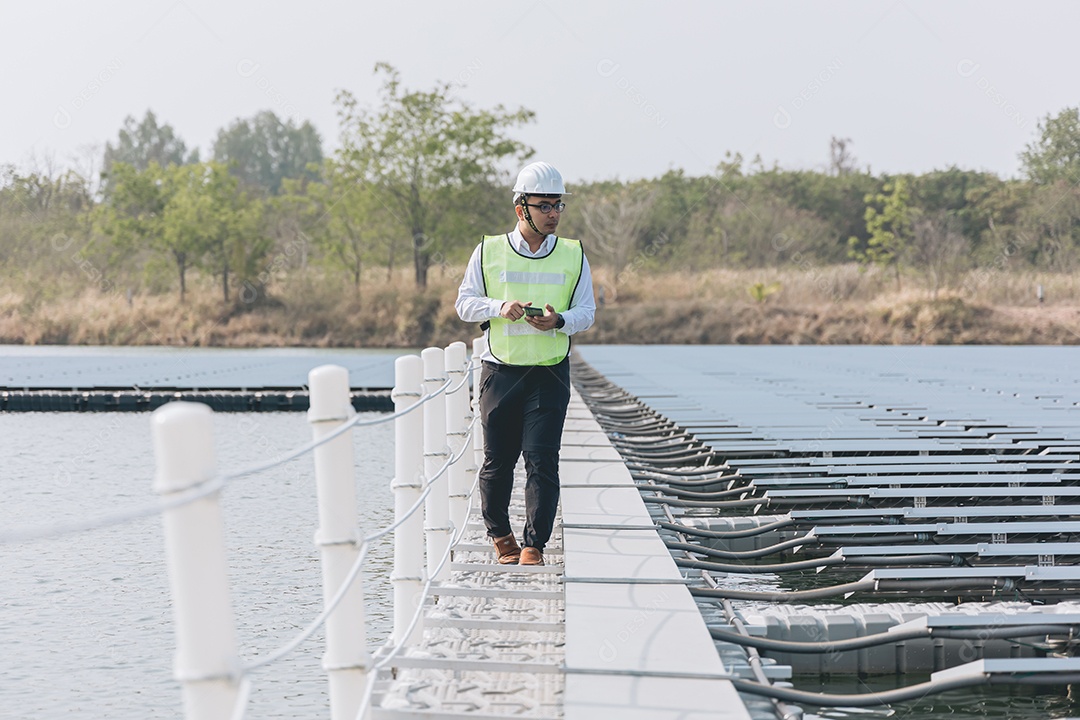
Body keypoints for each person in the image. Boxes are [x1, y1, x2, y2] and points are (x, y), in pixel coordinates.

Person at [455, 161, 596, 566]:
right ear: (522, 209)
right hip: (500, 369)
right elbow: (464, 304)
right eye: (545, 205)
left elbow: (587, 311)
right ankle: (501, 537)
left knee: (542, 458)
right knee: (498, 461)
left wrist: (561, 320)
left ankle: (535, 544)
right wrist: (500, 307)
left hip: (550, 371)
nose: (553, 213)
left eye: (558, 205)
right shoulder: (488, 251)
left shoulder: (574, 254)